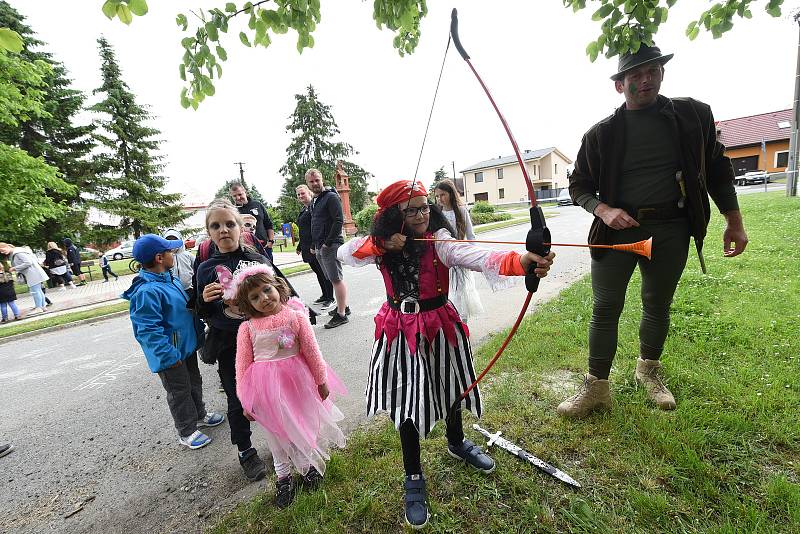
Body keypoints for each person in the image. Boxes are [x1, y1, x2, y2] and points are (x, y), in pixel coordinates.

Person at [337, 179, 555, 528]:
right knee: (408, 402)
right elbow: (343, 253)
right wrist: (381, 243)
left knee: (451, 386)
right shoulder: (379, 245)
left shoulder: (438, 238)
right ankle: (413, 476)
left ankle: (456, 441)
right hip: (401, 329)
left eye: (425, 207)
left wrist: (522, 261)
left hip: (440, 323)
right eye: (412, 210)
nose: (422, 214)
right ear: (394, 215)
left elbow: (475, 255)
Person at [558, 44, 748, 419]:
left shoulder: (693, 115)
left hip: (672, 228)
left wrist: (734, 220)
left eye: (652, 71)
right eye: (634, 75)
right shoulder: (601, 134)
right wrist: (603, 209)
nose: (645, 80)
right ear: (620, 85)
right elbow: (579, 184)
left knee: (657, 303)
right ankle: (596, 387)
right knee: (605, 306)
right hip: (616, 233)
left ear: (662, 73)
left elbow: (717, 168)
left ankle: (648, 372)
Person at [230, 265, 346, 508]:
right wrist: (245, 399)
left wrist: (320, 380)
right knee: (276, 434)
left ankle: (306, 468)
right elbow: (241, 366)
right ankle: (283, 476)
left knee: (301, 425)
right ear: (247, 303)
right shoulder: (247, 328)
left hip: (297, 384)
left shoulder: (296, 317)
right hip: (266, 391)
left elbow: (313, 352)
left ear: (277, 287)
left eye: (266, 290)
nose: (263, 298)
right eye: (254, 297)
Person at [194, 199, 287, 482]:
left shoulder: (257, 259)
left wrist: (298, 313)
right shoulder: (206, 269)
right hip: (230, 344)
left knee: (276, 394)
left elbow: (282, 290)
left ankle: (285, 440)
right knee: (238, 400)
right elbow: (201, 310)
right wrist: (204, 300)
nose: (224, 230)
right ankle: (246, 451)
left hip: (266, 341)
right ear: (209, 232)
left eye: (229, 224)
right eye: (216, 226)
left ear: (240, 227)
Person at [122, 234, 225, 449]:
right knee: (179, 391)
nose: (174, 255)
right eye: (170, 252)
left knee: (193, 382)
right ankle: (186, 430)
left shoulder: (171, 278)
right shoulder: (147, 291)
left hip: (185, 348)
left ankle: (199, 415)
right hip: (170, 355)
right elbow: (148, 330)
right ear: (160, 258)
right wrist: (168, 356)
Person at [434, 179, 484, 322]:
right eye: (437, 196)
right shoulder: (438, 212)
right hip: (441, 259)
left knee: (460, 291)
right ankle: (448, 321)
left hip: (459, 258)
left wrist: (473, 256)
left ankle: (462, 323)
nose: (439, 199)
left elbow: (471, 235)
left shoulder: (461, 210)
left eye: (442, 195)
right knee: (445, 291)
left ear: (450, 194)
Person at [305, 168, 349, 328]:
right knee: (331, 278)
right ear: (308, 183)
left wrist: (327, 243)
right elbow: (314, 224)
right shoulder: (314, 201)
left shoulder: (330, 197)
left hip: (330, 245)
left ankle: (342, 314)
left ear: (322, 179)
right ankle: (345, 306)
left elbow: (338, 220)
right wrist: (313, 245)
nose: (315, 183)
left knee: (336, 279)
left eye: (317, 180)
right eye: (311, 181)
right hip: (319, 246)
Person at [295, 184, 334, 306]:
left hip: (315, 246)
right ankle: (325, 294)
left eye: (303, 193)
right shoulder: (304, 209)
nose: (301, 196)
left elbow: (316, 228)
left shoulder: (314, 207)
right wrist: (300, 246)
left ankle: (330, 298)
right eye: (299, 194)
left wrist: (313, 245)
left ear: (309, 193)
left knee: (324, 272)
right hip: (307, 247)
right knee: (318, 273)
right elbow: (305, 230)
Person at [229, 183, 275, 261]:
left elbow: (268, 224)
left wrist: (270, 242)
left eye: (240, 194)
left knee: (270, 272)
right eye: (234, 196)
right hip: (245, 251)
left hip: (264, 248)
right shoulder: (232, 211)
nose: (238, 197)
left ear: (245, 192)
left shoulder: (258, 205)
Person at [0, 243, 49, 314]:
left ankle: (39, 307)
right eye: (1, 251)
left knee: (35, 291)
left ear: (6, 246)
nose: (2, 252)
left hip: (32, 273)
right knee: (38, 290)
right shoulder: (18, 252)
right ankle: (42, 306)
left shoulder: (18, 253)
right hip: (33, 272)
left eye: (2, 250)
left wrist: (15, 268)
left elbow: (28, 262)